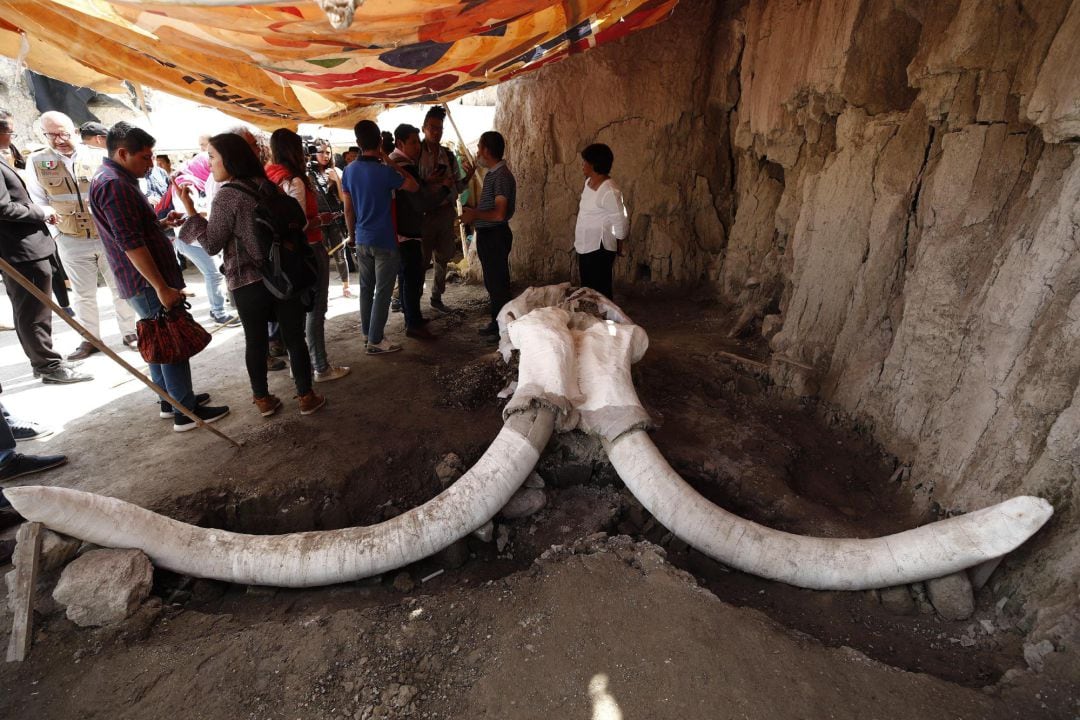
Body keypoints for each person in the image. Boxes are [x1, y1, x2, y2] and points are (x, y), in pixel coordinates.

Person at [89, 121, 229, 431]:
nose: (151, 164)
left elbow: (134, 230)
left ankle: (171, 400)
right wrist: (161, 286)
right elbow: (130, 243)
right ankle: (185, 410)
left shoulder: (113, 178)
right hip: (146, 281)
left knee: (156, 337)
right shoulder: (114, 184)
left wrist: (161, 222)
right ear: (123, 153)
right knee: (170, 340)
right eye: (145, 157)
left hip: (139, 279)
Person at [178, 132, 326, 417]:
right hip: (282, 274)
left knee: (256, 341)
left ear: (230, 159)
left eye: (212, 157)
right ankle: (306, 396)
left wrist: (191, 212)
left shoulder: (227, 195)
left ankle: (263, 399)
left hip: (247, 282)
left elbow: (211, 244)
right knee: (294, 337)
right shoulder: (268, 186)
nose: (208, 163)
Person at [26, 111, 139, 358]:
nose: (58, 139)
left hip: (107, 236)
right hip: (70, 238)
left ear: (75, 131)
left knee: (121, 287)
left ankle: (130, 332)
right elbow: (38, 200)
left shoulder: (99, 156)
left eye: (63, 133)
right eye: (51, 135)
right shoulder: (36, 162)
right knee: (82, 293)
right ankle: (90, 339)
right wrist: (56, 235)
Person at [0, 109, 92, 384]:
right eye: (10, 132)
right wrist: (40, 212)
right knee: (33, 312)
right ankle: (48, 365)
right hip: (20, 249)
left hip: (28, 246)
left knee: (33, 309)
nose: (11, 137)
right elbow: (3, 207)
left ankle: (44, 361)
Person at [265, 128, 349, 383]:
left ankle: (300, 364)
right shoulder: (295, 180)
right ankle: (320, 365)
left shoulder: (268, 176)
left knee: (295, 311)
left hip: (280, 254)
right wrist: (318, 220)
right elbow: (297, 224)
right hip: (307, 250)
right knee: (315, 309)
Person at [340, 120, 419, 355]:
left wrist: (352, 235)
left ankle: (368, 334)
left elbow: (348, 209)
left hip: (362, 238)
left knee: (366, 289)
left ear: (358, 143)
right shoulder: (385, 172)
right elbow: (414, 186)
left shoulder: (349, 171)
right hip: (384, 239)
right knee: (383, 291)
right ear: (380, 143)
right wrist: (391, 161)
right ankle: (376, 339)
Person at [390, 123, 454, 340]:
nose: (418, 146)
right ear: (400, 143)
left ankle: (412, 317)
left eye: (418, 142)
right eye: (413, 142)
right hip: (407, 230)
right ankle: (414, 323)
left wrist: (427, 181)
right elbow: (420, 203)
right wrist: (444, 187)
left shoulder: (398, 163)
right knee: (412, 277)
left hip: (402, 229)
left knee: (410, 275)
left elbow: (416, 189)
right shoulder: (402, 166)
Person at [169, 153, 239, 327]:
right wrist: (211, 211)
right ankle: (219, 313)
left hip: (197, 237)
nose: (210, 166)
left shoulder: (198, 182)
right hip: (191, 239)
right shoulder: (186, 183)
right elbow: (187, 210)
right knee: (213, 273)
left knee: (214, 273)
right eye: (208, 162)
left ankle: (217, 309)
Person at [419, 107, 474, 312]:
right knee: (421, 261)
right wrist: (429, 182)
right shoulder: (416, 154)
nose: (436, 132)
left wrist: (467, 178)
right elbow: (412, 186)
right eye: (432, 128)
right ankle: (409, 300)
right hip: (424, 215)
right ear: (423, 128)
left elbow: (458, 188)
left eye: (440, 128)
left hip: (444, 212)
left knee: (443, 256)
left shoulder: (449, 156)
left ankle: (436, 297)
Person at [461, 131, 516, 338]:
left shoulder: (500, 176)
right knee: (494, 283)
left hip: (494, 235)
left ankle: (504, 328)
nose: (477, 153)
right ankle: (498, 322)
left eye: (479, 148)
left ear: (486, 150)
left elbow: (500, 213)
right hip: (490, 234)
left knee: (498, 284)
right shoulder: (494, 174)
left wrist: (475, 214)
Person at [574, 143, 629, 300]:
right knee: (588, 289)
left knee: (600, 292)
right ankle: (593, 320)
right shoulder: (588, 183)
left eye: (585, 161)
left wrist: (619, 244)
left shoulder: (609, 191)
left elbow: (620, 221)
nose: (582, 165)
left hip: (600, 249)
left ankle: (604, 322)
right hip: (586, 246)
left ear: (594, 164)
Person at [310, 139, 351, 297]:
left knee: (340, 254)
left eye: (328, 152)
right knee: (321, 256)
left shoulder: (337, 171)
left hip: (335, 219)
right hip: (318, 220)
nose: (325, 155)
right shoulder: (308, 174)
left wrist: (337, 180)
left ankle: (346, 286)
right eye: (321, 152)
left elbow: (343, 199)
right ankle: (322, 288)